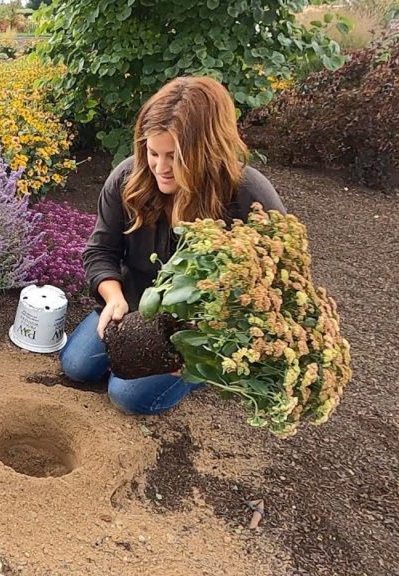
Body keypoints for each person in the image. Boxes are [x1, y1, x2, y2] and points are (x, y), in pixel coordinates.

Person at [59, 76, 287, 415]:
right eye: (153, 153)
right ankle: (137, 357)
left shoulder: (247, 197)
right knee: (75, 366)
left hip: (197, 330)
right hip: (134, 308)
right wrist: (113, 298)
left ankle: (194, 375)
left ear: (207, 151)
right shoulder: (128, 179)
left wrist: (203, 351)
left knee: (126, 396)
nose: (161, 168)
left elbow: (272, 289)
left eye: (176, 157)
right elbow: (100, 251)